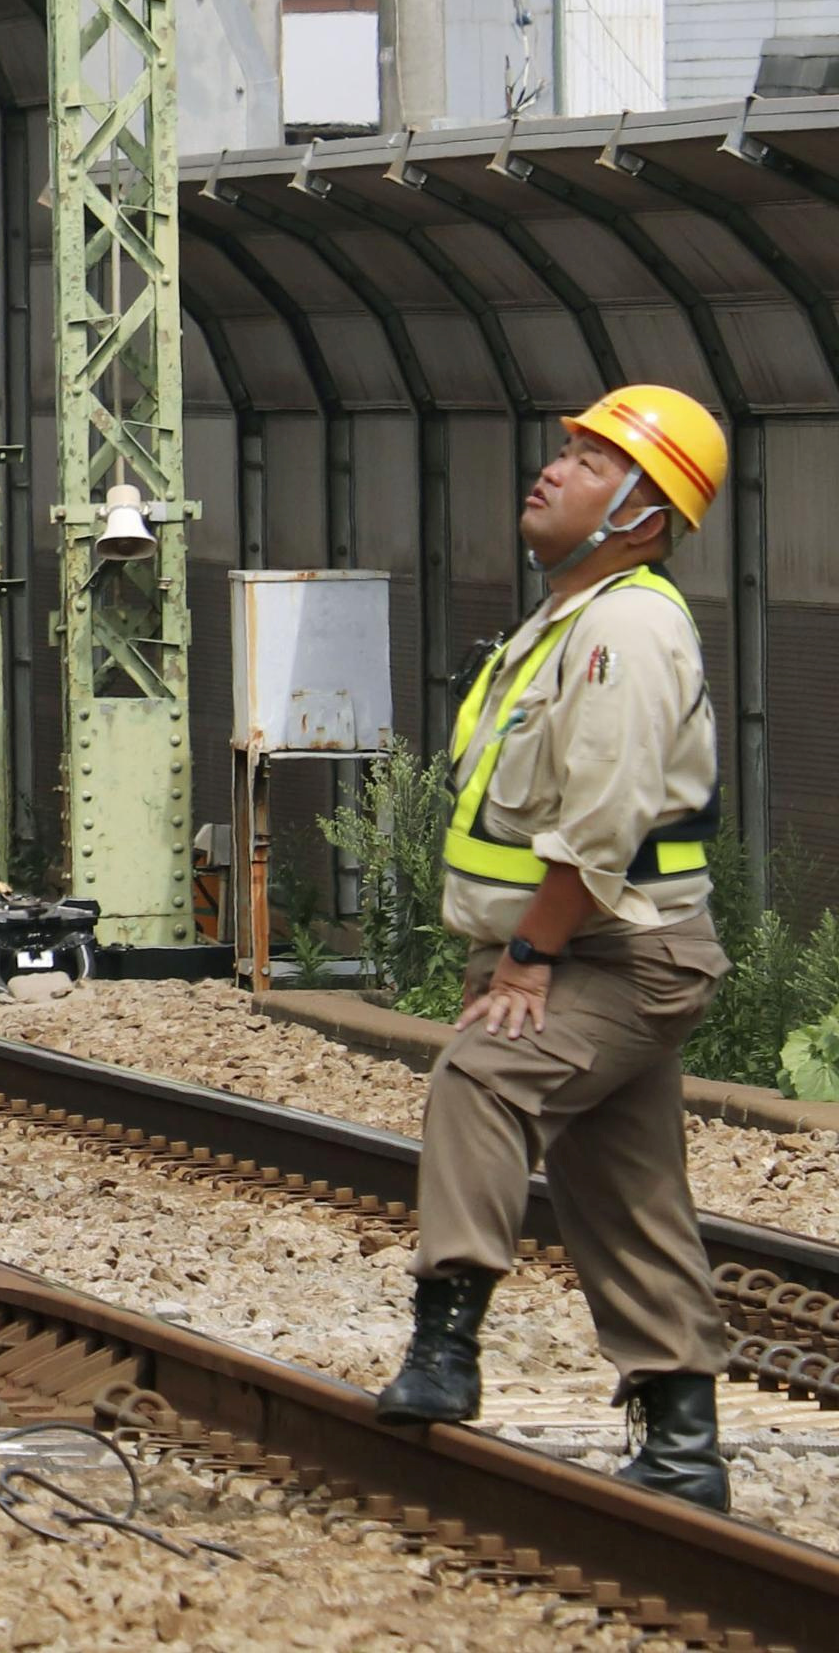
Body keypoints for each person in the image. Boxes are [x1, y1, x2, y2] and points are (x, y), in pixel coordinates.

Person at [372, 383, 735, 1510]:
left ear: (638, 509)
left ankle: (445, 1344)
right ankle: (682, 1446)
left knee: (480, 1080)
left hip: (616, 957)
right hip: (588, 948)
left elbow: (603, 820)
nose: (551, 466)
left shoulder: (625, 627)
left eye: (585, 458)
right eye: (565, 447)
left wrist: (525, 960)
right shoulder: (567, 620)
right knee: (623, 1190)